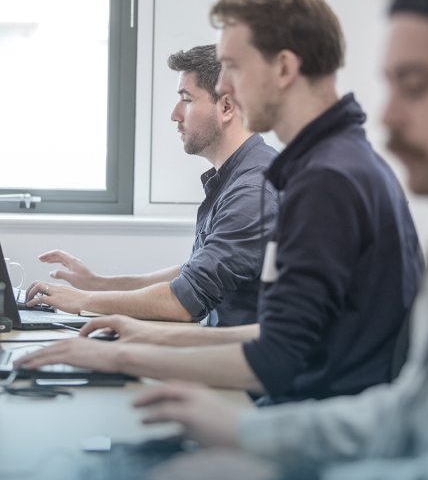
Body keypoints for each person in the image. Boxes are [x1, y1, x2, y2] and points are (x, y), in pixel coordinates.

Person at [88, 0, 428, 480]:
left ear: (282, 67)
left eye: (415, 85)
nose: (388, 117)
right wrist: (244, 434)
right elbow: (407, 411)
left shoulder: (327, 179)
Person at [18, 0, 420, 401]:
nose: (225, 83)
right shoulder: (329, 162)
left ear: (282, 68)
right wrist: (150, 337)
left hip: (308, 422)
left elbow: (277, 359)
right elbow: (281, 334)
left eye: (233, 66)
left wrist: (126, 356)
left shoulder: (325, 180)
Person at [26, 44, 278, 327]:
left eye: (187, 100)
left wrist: (83, 301)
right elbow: (190, 274)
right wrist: (97, 284)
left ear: (227, 106)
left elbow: (185, 300)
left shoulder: (254, 190)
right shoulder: (240, 177)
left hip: (237, 363)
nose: (174, 114)